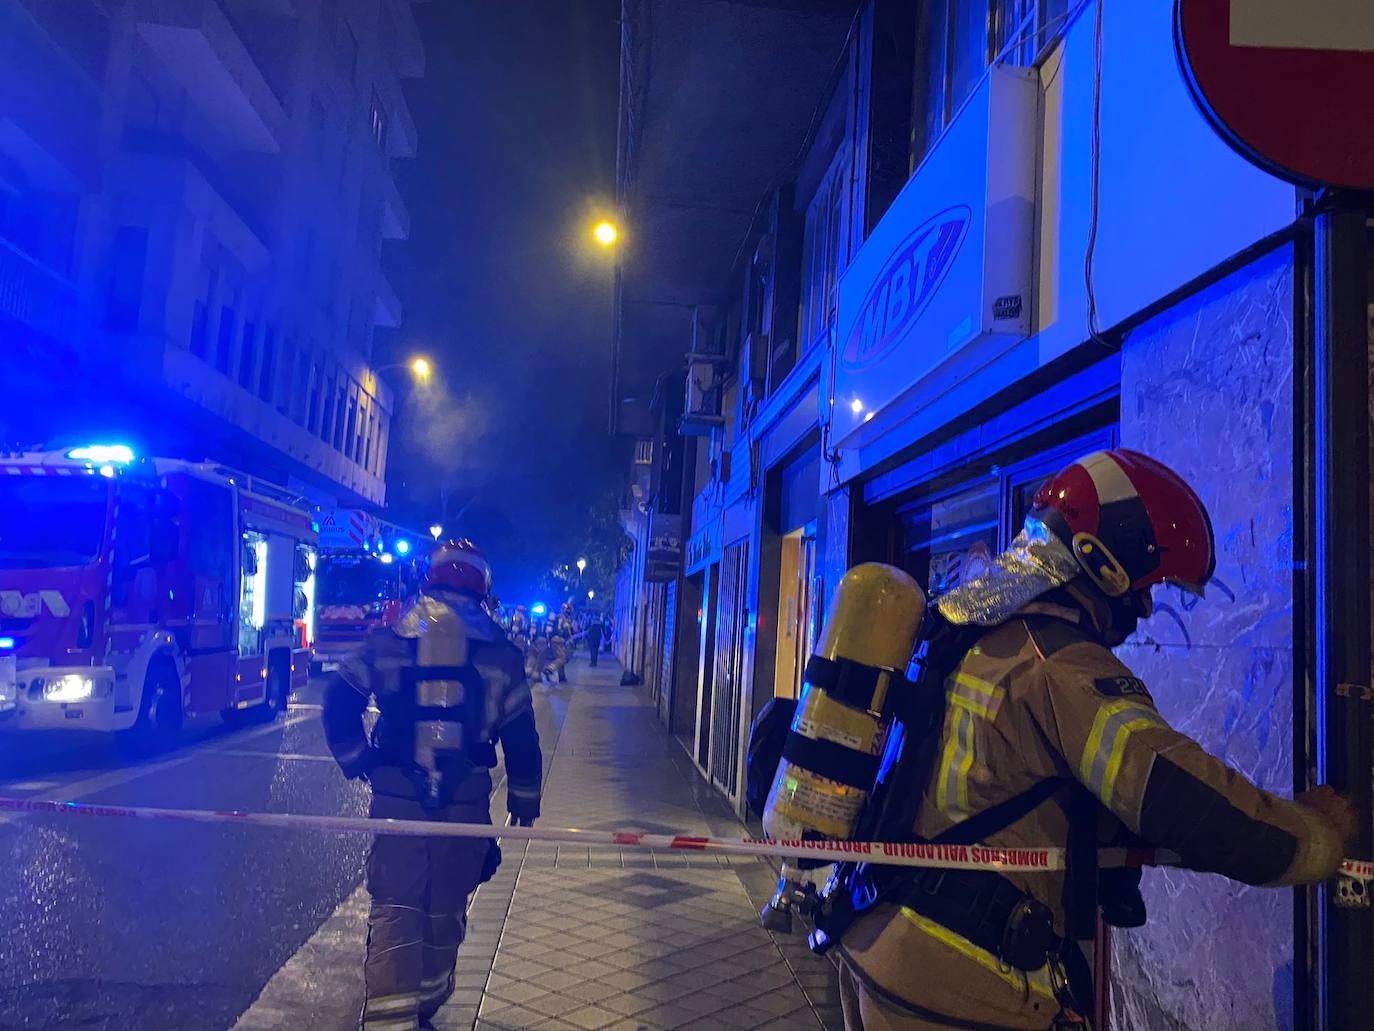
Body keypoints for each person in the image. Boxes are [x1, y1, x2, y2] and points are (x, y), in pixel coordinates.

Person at [834, 449, 1355, 1031]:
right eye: (1145, 584)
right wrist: (1318, 834)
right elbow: (1185, 800)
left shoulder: (967, 634)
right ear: (1104, 562)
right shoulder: (1060, 665)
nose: (1147, 605)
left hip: (881, 942)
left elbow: (1004, 782)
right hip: (960, 981)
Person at [322, 539, 542, 1031]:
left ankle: (387, 1020)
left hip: (397, 800)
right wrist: (524, 797)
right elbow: (521, 734)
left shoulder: (388, 641)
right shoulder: (502, 654)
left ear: (429, 579)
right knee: (445, 907)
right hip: (464, 807)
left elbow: (338, 702)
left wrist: (359, 761)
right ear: (484, 587)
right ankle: (424, 1006)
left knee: (396, 906)